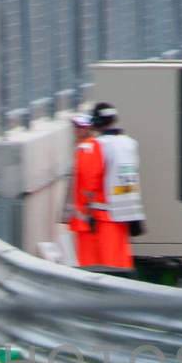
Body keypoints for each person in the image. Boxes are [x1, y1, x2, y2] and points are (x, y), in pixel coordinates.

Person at [70, 104, 139, 269]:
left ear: (93, 124)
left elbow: (88, 181)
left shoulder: (93, 147)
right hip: (123, 216)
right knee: (119, 267)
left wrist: (85, 212)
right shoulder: (128, 144)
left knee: (94, 271)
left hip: (96, 220)